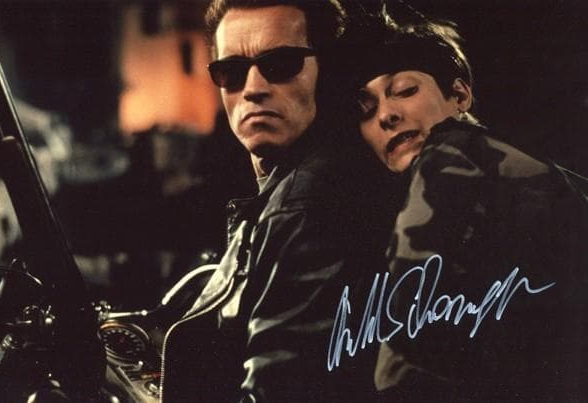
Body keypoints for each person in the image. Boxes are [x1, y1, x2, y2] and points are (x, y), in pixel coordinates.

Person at [346, 12, 588, 401]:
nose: (386, 116)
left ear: (460, 95)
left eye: (405, 90)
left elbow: (407, 355)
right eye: (366, 110)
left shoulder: (450, 150)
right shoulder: (540, 173)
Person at [160, 1, 392, 401]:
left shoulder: (311, 203)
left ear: (327, 73)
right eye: (231, 72)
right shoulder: (296, 187)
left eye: (281, 64)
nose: (252, 88)